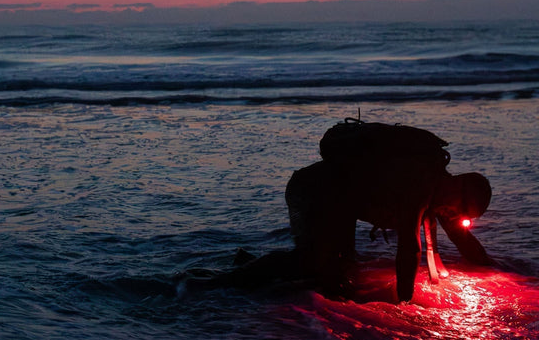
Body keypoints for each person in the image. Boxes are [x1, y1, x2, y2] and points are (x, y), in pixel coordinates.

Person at [196, 120, 494, 304]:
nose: (455, 217)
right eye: (461, 211)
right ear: (459, 186)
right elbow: (409, 250)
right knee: (314, 264)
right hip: (312, 191)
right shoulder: (422, 183)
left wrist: (509, 274)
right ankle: (211, 285)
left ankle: (249, 264)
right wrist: (405, 307)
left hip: (341, 203)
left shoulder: (446, 197)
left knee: (341, 275)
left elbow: (464, 242)